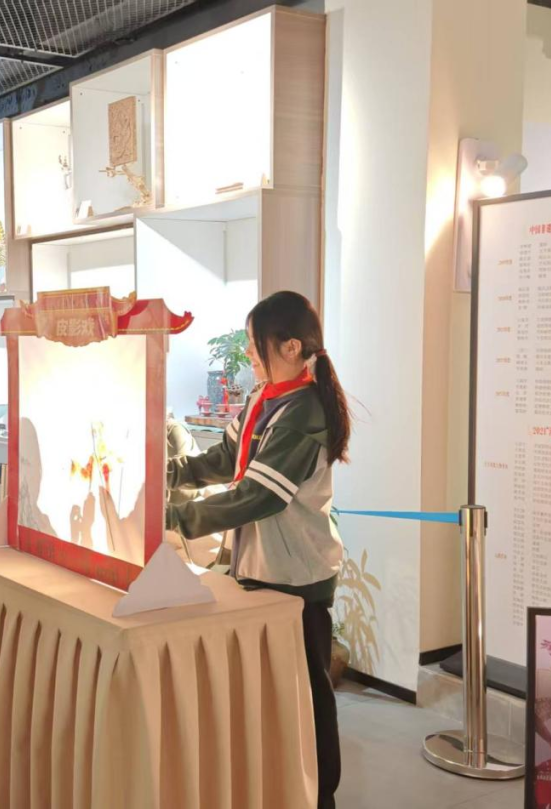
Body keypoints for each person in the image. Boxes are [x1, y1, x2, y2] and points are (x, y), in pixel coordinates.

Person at [165, 291, 349, 809]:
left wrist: (176, 517)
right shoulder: (263, 398)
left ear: (291, 347)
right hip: (261, 568)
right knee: (273, 695)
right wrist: (167, 473)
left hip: (296, 574)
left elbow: (258, 496)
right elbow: (227, 458)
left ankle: (320, 794)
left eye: (254, 342)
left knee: (307, 694)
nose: (248, 353)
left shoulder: (305, 410)